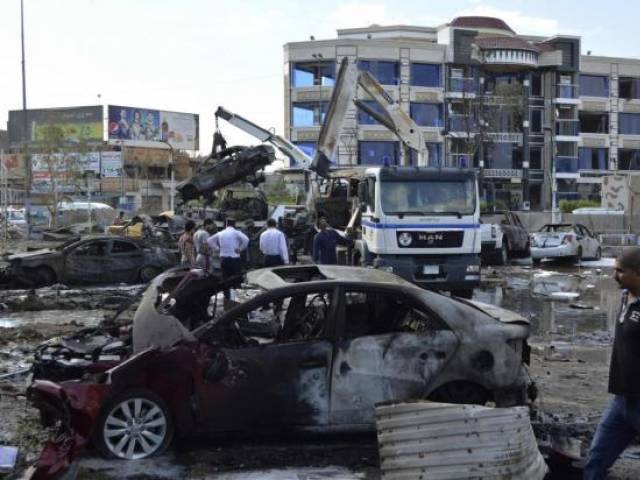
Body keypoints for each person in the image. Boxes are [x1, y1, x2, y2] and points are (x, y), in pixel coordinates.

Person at [584, 248, 640, 479]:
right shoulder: (627, 296)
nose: (614, 276)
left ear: (638, 273)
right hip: (622, 401)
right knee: (595, 460)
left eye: (620, 271)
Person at [207, 218, 249, 299]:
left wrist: (217, 248)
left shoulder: (221, 233)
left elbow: (209, 241)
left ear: (226, 225)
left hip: (224, 259)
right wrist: (240, 249)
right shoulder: (237, 232)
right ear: (234, 225)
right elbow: (246, 240)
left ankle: (227, 299)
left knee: (226, 280)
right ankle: (236, 300)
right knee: (236, 281)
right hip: (235, 259)